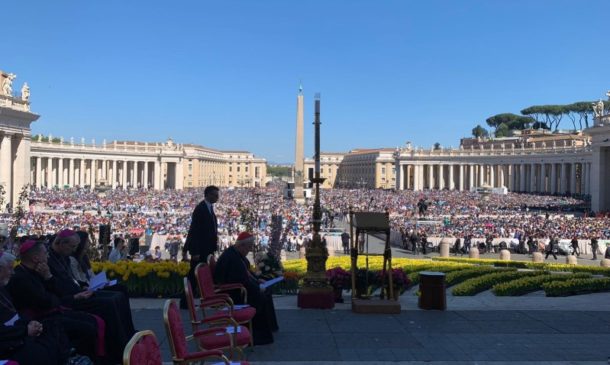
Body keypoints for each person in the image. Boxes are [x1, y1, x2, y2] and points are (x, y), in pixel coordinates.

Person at [47, 230, 136, 363]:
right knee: (109, 302)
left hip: (78, 291)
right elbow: (57, 286)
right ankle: (117, 348)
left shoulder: (62, 256)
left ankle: (127, 335)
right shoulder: (49, 260)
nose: (74, 250)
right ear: (60, 243)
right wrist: (77, 293)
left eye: (76, 246)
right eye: (72, 247)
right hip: (70, 299)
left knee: (117, 296)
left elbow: (71, 279)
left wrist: (82, 287)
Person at [7, 241, 103, 362]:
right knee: (87, 328)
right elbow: (46, 301)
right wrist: (70, 298)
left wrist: (48, 276)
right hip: (41, 319)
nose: (48, 256)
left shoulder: (38, 270)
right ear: (35, 258)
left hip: (51, 311)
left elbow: (58, 292)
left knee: (92, 321)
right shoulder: (20, 277)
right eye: (45, 253)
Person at [0, 251, 73, 365]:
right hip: (8, 341)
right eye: (9, 269)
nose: (12, 272)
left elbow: (14, 312)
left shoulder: (3, 287)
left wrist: (29, 323)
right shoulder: (18, 278)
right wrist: (25, 329)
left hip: (19, 329)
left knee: (53, 329)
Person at [213, 232, 278, 346]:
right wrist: (258, 287)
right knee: (260, 296)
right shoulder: (232, 258)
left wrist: (258, 281)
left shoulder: (237, 254)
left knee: (265, 291)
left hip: (239, 288)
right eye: (249, 247)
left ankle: (270, 328)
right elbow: (241, 280)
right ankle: (259, 335)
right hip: (233, 292)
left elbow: (248, 273)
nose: (249, 250)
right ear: (241, 245)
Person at [183, 186, 219, 303]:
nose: (217, 197)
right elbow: (195, 231)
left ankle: (201, 298)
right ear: (208, 195)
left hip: (207, 249)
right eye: (215, 195)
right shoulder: (200, 209)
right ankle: (185, 300)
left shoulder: (209, 208)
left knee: (201, 275)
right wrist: (195, 251)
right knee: (194, 275)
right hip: (200, 250)